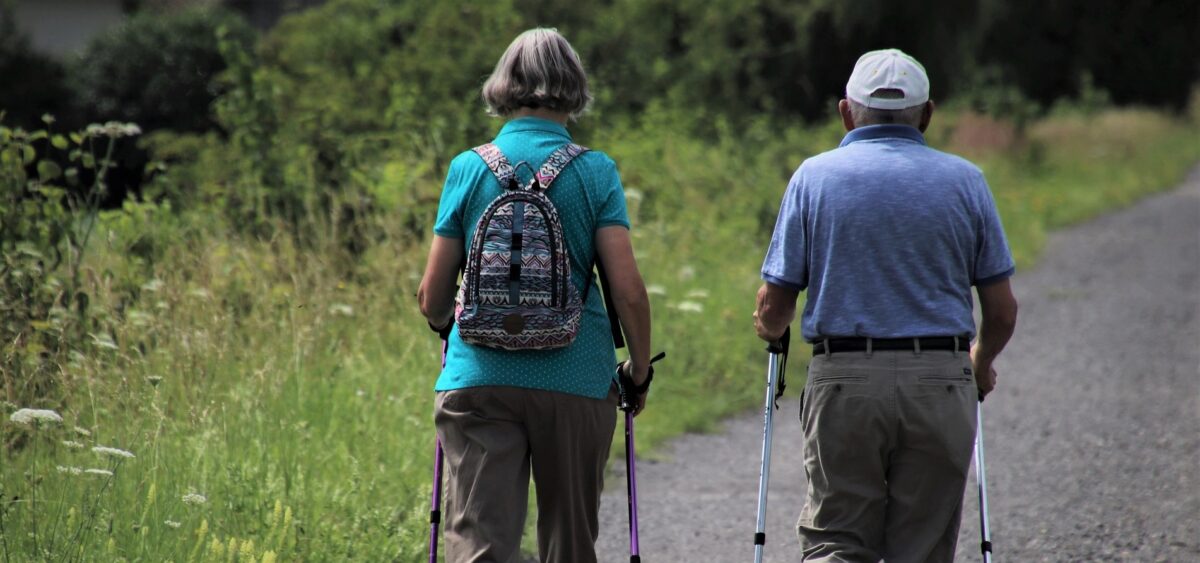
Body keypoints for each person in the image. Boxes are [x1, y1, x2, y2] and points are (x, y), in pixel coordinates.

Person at [752, 49, 1019, 562]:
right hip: (940, 381)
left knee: (836, 541)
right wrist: (979, 363)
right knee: (921, 547)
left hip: (845, 382)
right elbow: (1002, 311)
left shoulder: (814, 177)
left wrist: (768, 326)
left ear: (846, 112)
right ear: (927, 114)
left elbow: (777, 305)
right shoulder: (966, 181)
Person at [417, 28, 653, 563]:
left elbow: (433, 294)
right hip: (576, 377)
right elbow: (629, 293)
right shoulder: (595, 171)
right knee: (569, 544)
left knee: (479, 543)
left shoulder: (468, 167)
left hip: (479, 379)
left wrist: (443, 327)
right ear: (573, 87)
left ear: (503, 86)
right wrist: (638, 372)